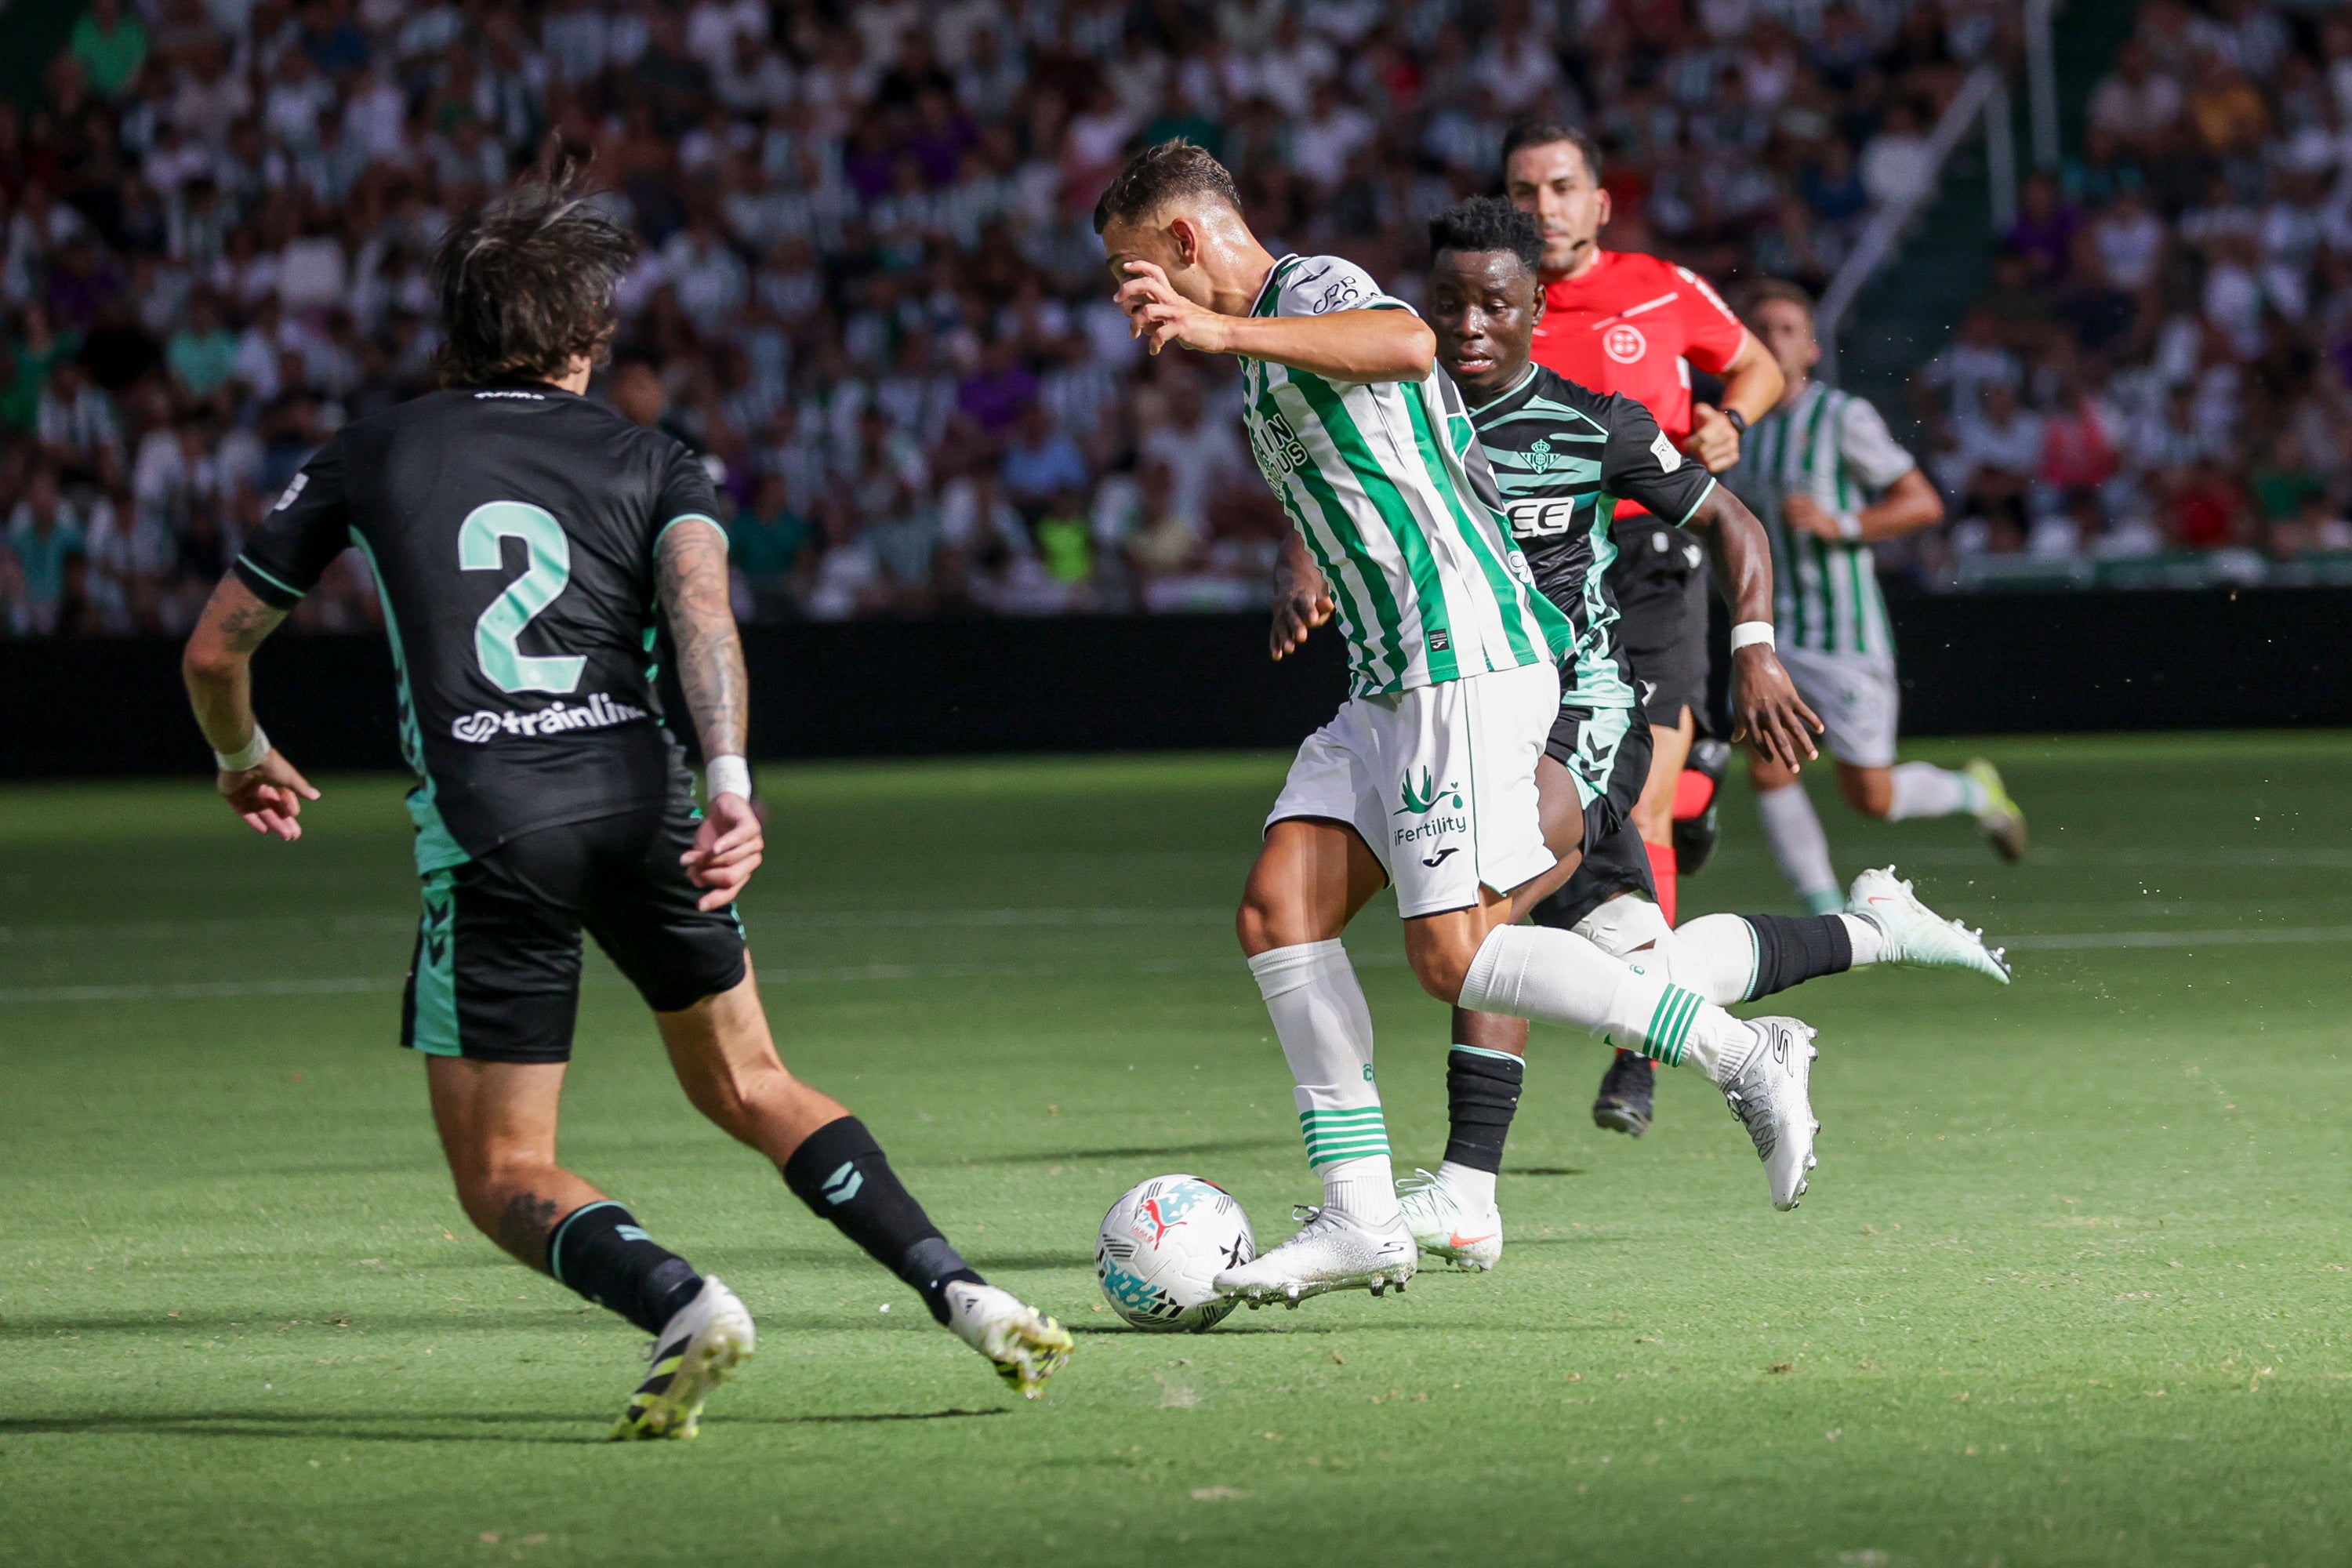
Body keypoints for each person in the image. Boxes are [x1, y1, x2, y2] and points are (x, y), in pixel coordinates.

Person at [178, 176, 1072, 1439]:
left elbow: (218, 652)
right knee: (754, 1082)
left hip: (499, 825)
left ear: (457, 333)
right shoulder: (658, 457)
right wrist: (731, 790)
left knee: (501, 1172)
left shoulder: (373, 451)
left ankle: (680, 1300)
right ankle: (962, 1290)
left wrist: (243, 754)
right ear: (588, 343)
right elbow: (705, 617)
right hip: (649, 800)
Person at [1096, 140, 1824, 1312]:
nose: (1131, 298)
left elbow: (1406, 341)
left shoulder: (1310, 291)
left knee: (1454, 957)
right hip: (1386, 677)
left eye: (1134, 269)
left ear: (1185, 242)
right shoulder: (1253, 354)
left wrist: (1222, 330)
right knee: (1278, 909)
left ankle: (1744, 1053)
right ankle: (1361, 1218)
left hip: (1465, 658)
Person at [1394, 200, 2011, 1271]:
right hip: (1464, 720)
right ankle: (1871, 932)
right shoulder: (1400, 418)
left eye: (1493, 302)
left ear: (1536, 304)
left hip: (1580, 717)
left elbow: (1731, 519)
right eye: (1447, 303)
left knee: (1477, 922)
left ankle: (1466, 1193)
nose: (1469, 324)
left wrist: (1756, 648)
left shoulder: (1592, 422)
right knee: (1648, 976)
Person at [1503, 120, 1790, 1138]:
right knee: (1542, 808)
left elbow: (1757, 366)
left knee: (1645, 811)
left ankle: (1640, 1059)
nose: (1544, 206)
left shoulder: (1661, 288)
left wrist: (1731, 423)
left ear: (1598, 202)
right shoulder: (1496, 314)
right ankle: (1705, 783)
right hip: (1541, 573)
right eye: (1526, 189)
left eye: (1563, 186)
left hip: (1657, 559)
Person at [1735, 279, 2027, 913]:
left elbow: (1921, 502)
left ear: (1812, 348)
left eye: (1787, 330)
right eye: (1760, 329)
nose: (1772, 341)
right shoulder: (1744, 430)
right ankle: (1827, 910)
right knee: (1767, 767)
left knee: (1871, 799)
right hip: (1778, 637)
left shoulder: (1843, 417)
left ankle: (1973, 793)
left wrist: (1839, 523)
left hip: (1845, 635)